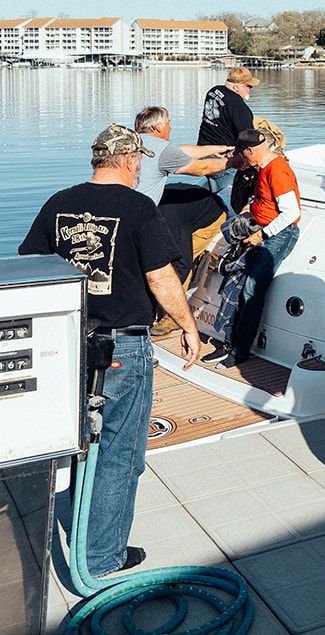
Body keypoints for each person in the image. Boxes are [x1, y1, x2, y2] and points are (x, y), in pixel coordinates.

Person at [18, 124, 200, 578]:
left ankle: (82, 529)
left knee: (78, 443)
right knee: (120, 453)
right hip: (121, 345)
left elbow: (30, 268)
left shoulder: (60, 202)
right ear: (129, 160)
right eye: (139, 162)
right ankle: (102, 558)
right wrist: (189, 326)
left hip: (66, 341)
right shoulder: (138, 207)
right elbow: (161, 278)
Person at [210, 127, 301, 368]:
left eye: (244, 154)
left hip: (279, 234)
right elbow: (263, 199)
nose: (243, 160)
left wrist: (262, 234)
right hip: (262, 229)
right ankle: (228, 342)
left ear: (250, 151)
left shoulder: (277, 170)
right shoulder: (264, 169)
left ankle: (240, 351)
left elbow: (292, 212)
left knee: (251, 289)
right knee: (234, 279)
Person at [133, 106, 233, 207]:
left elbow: (181, 151)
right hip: (143, 213)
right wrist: (233, 162)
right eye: (168, 123)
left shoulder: (135, 142)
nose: (170, 128)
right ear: (158, 127)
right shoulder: (162, 148)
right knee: (212, 205)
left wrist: (215, 150)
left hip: (127, 205)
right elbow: (201, 168)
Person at [197, 67, 258, 206]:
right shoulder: (239, 107)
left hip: (203, 151)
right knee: (227, 201)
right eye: (248, 86)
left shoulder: (214, 91)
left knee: (212, 193)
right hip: (223, 159)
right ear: (237, 86)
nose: (250, 89)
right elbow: (248, 138)